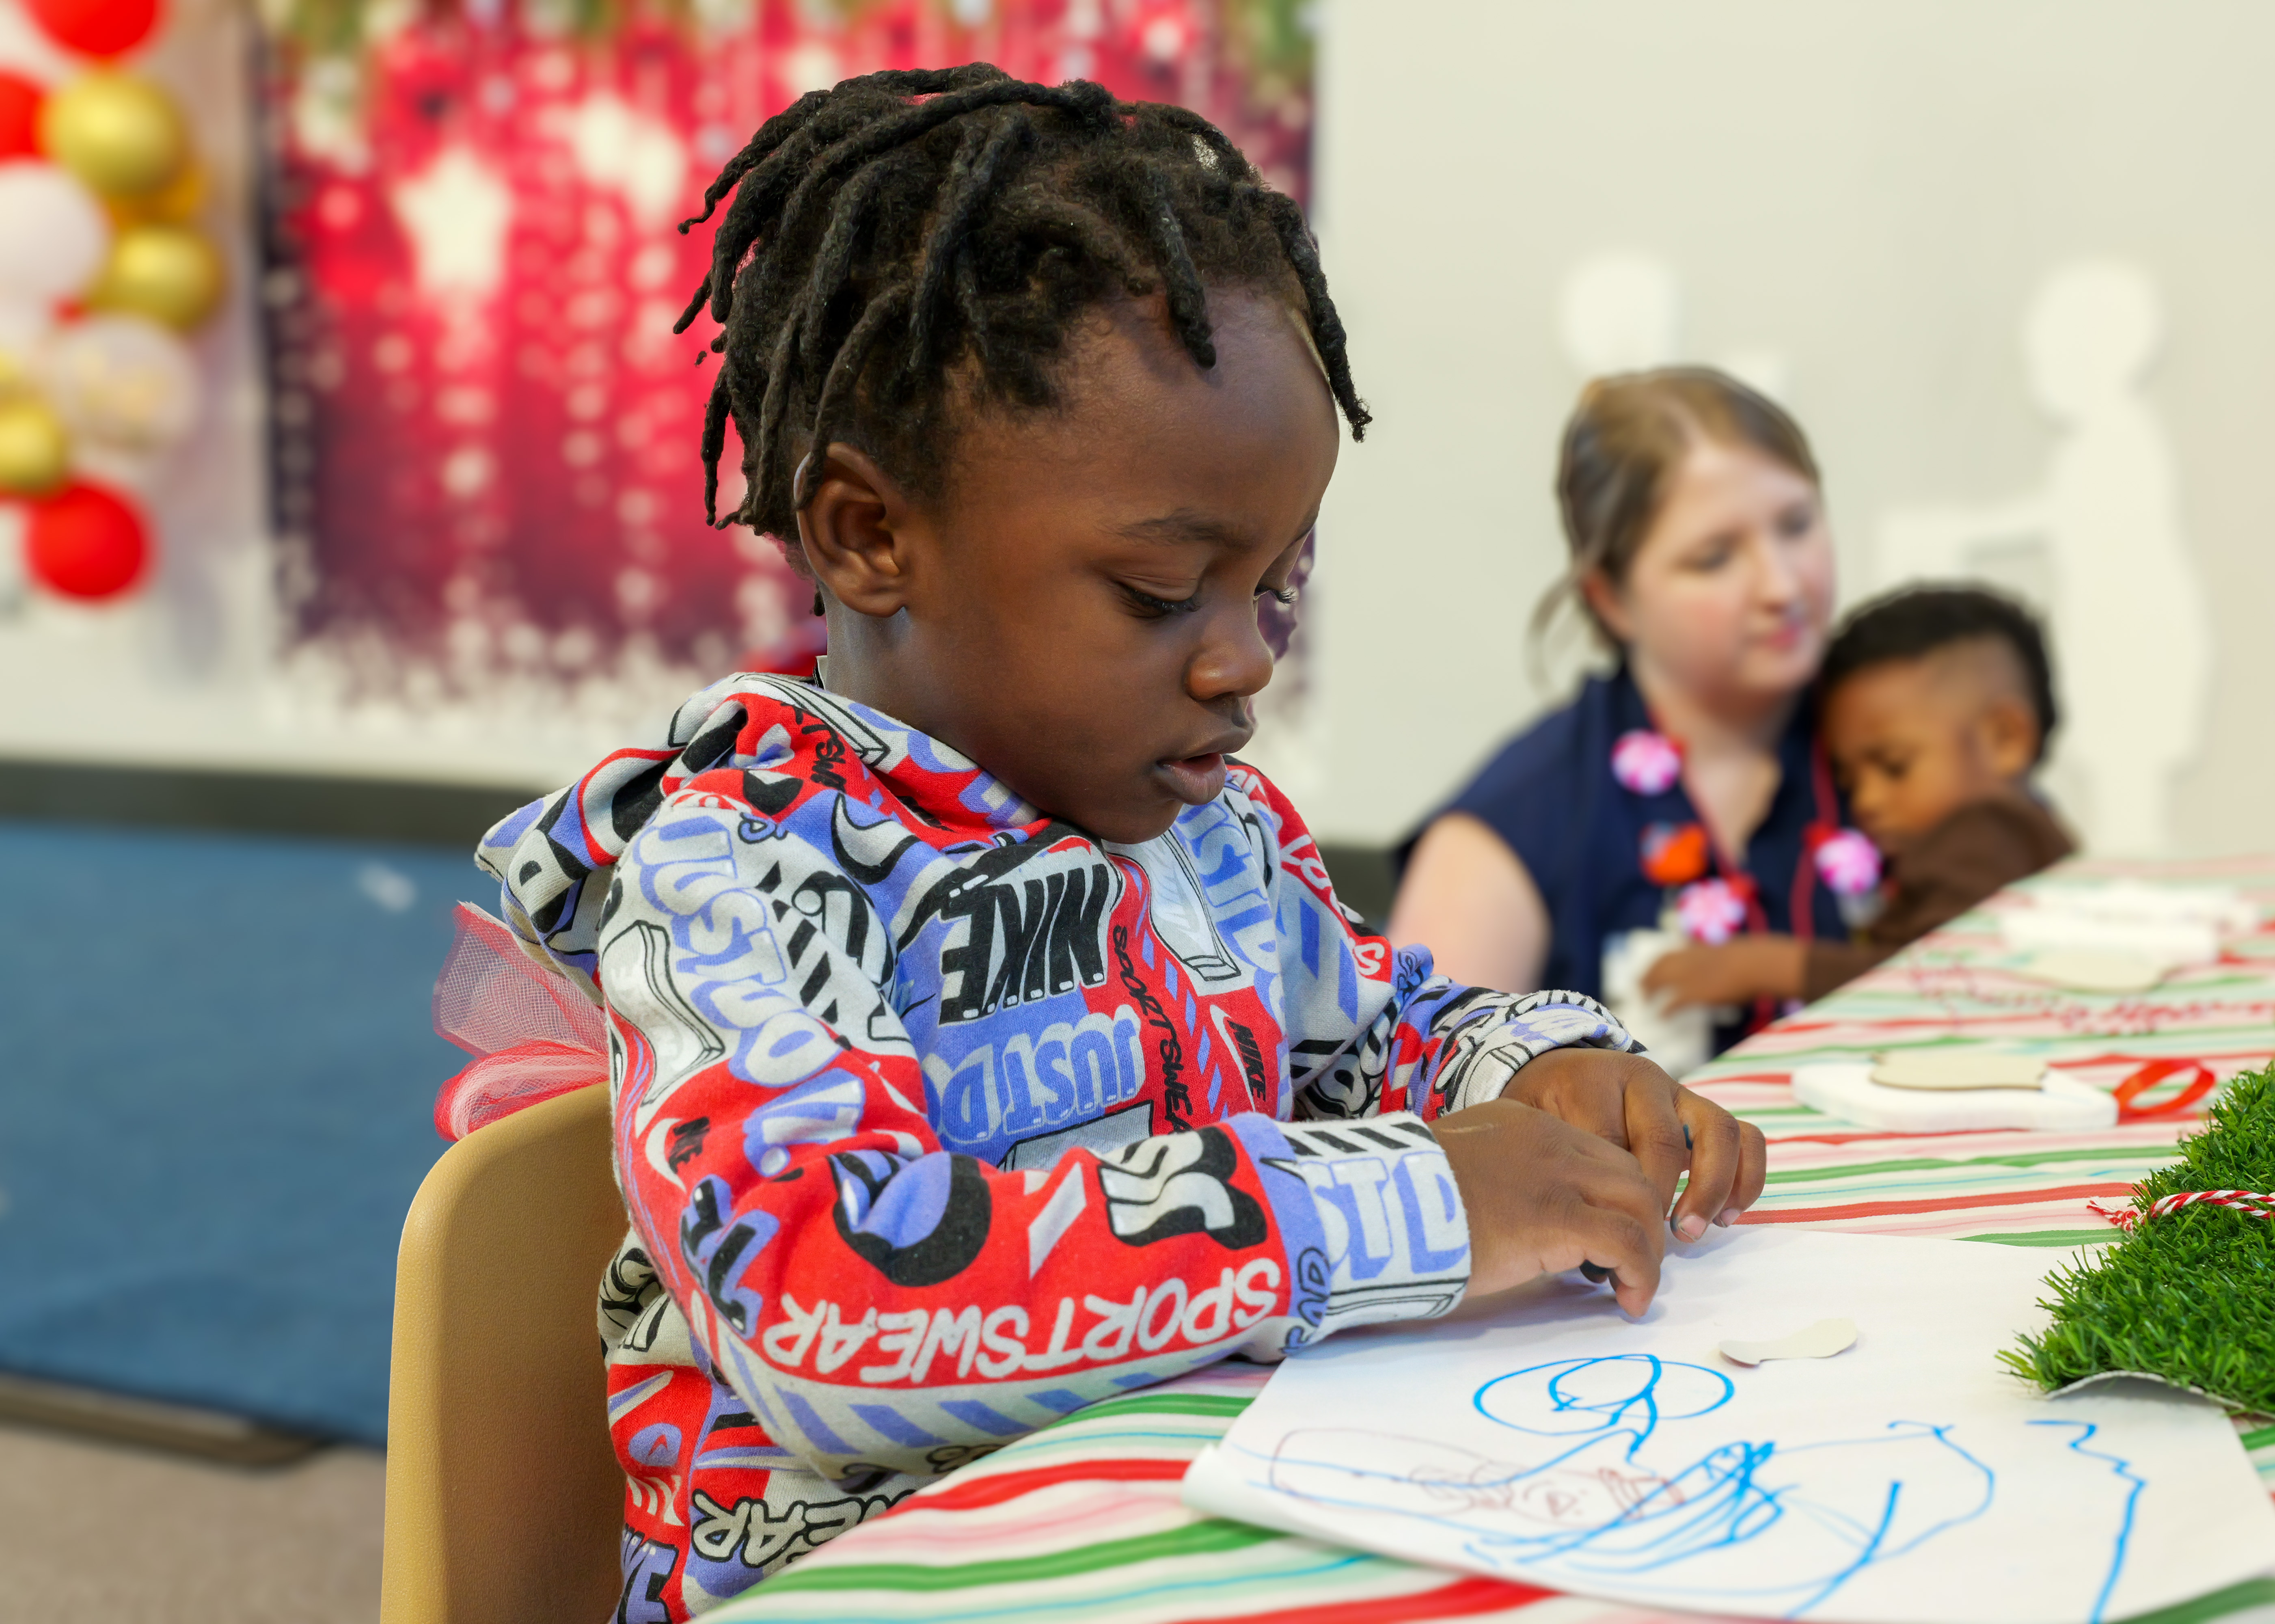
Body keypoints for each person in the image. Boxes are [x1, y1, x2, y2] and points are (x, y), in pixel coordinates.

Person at [472, 67, 1762, 1619]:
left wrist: (1532, 1074)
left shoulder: (1203, 820)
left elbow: (1375, 1036)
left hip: (1188, 1517)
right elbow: (818, 1297)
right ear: (869, 536)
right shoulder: (743, 866)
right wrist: (1415, 1200)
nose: (1244, 661)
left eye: (1278, 583)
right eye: (1163, 596)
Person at [1390, 369, 1868, 1072]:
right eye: (1714, 558)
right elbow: (1426, 1116)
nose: (1783, 585)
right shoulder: (1512, 828)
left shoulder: (1904, 740)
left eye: (1797, 525)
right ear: (1610, 597)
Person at [1643, 585, 2074, 1010]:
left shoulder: (1990, 831)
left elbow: (1932, 980)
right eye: (1849, 779)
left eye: (1894, 766)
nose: (1866, 800)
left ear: (2005, 740)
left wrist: (1767, 965)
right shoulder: (2011, 836)